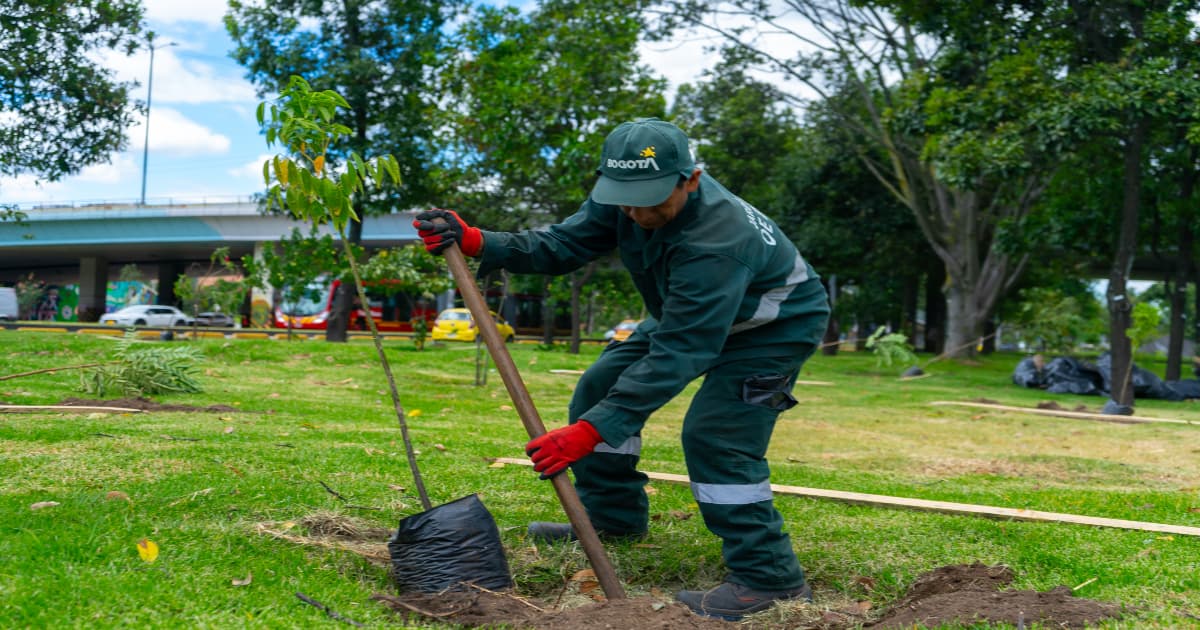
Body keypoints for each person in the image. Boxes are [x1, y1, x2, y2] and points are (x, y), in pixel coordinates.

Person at [414, 118, 829, 621]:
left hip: (771, 327)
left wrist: (590, 433)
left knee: (717, 436)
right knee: (600, 386)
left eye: (652, 201)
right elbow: (564, 244)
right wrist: (479, 240)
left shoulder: (718, 241)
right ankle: (613, 519)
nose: (636, 213)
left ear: (690, 179)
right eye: (625, 199)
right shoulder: (626, 198)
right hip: (687, 314)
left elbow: (682, 351)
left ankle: (768, 578)